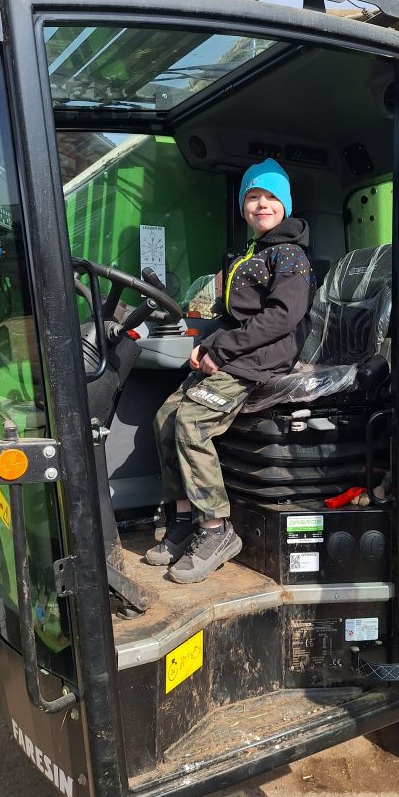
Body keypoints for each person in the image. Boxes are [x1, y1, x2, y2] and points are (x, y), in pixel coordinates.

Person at [148, 158, 315, 583]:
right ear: (243, 207)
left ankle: (216, 530)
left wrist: (220, 351)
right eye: (253, 197)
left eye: (271, 197)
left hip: (263, 358)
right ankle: (184, 521)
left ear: (286, 204)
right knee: (165, 417)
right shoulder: (249, 254)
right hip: (239, 352)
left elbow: (282, 316)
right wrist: (207, 344)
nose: (262, 204)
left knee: (192, 421)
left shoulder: (290, 255)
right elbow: (232, 317)